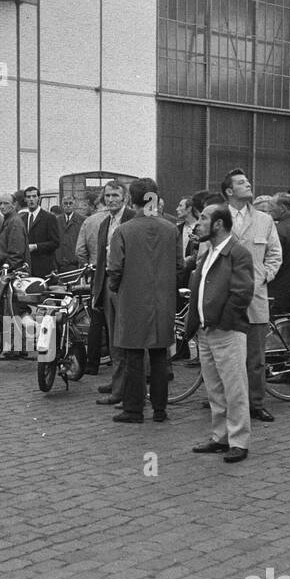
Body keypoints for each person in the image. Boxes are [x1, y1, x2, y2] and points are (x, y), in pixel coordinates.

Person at [106, 178, 183, 423]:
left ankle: (133, 409)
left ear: (131, 200)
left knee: (133, 356)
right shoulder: (171, 229)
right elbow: (179, 265)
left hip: (132, 299)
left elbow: (115, 269)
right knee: (161, 355)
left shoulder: (124, 230)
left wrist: (116, 288)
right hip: (163, 300)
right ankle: (160, 409)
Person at [187, 204, 254, 463]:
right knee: (215, 388)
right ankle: (220, 436)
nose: (198, 223)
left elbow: (242, 293)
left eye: (203, 218)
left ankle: (239, 441)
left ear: (218, 224)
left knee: (234, 387)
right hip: (207, 332)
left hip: (226, 331)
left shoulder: (237, 253)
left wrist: (222, 322)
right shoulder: (208, 253)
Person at [222, 168, 282, 423]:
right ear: (228, 191)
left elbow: (275, 255)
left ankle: (256, 403)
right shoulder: (217, 216)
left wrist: (263, 276)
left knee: (255, 358)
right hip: (224, 300)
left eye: (247, 181)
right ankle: (228, 403)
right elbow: (205, 256)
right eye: (241, 182)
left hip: (255, 298)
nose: (248, 184)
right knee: (225, 356)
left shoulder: (264, 221)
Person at [87, 182, 136, 398]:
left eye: (115, 195)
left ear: (125, 197)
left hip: (126, 284)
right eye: (107, 195)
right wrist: (97, 289)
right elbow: (100, 258)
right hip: (108, 282)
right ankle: (118, 381)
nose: (110, 199)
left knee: (128, 337)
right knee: (113, 334)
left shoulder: (133, 219)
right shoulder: (105, 222)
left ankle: (127, 387)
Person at [20, 186, 60, 277]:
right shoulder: (22, 219)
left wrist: (36, 246)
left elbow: (55, 243)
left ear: (38, 198)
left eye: (34, 196)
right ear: (25, 199)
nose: (31, 199)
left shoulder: (49, 218)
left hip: (44, 268)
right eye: (28, 197)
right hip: (27, 268)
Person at [53, 195, 85, 273]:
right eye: (65, 203)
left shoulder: (82, 221)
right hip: (60, 264)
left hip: (76, 264)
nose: (68, 206)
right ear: (62, 205)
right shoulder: (56, 221)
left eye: (70, 203)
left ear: (74, 205)